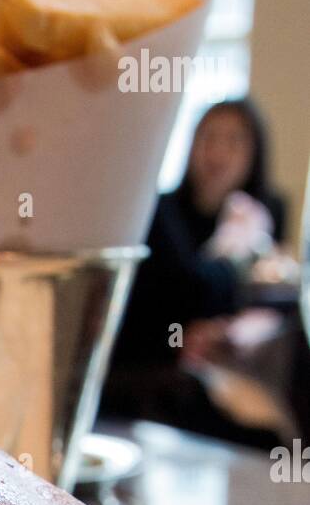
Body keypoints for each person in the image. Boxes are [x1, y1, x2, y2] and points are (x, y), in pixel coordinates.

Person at [103, 99, 290, 449]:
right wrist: (235, 256)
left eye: (234, 140)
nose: (218, 152)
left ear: (254, 152)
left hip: (236, 355)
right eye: (209, 138)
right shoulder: (162, 210)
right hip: (158, 360)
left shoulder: (267, 209)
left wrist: (230, 329)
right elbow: (187, 292)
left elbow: (274, 293)